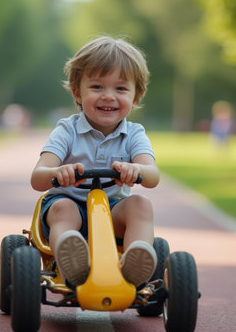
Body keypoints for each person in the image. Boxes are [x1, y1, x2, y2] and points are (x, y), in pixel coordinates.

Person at [30, 36, 160, 288]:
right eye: (97, 87)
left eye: (121, 89)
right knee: (63, 210)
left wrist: (137, 169)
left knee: (140, 204)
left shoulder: (134, 134)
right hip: (68, 204)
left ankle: (136, 265)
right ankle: (71, 264)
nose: (109, 96)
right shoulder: (66, 131)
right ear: (78, 92)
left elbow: (153, 176)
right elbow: (38, 177)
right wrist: (59, 171)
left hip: (112, 211)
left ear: (136, 96)